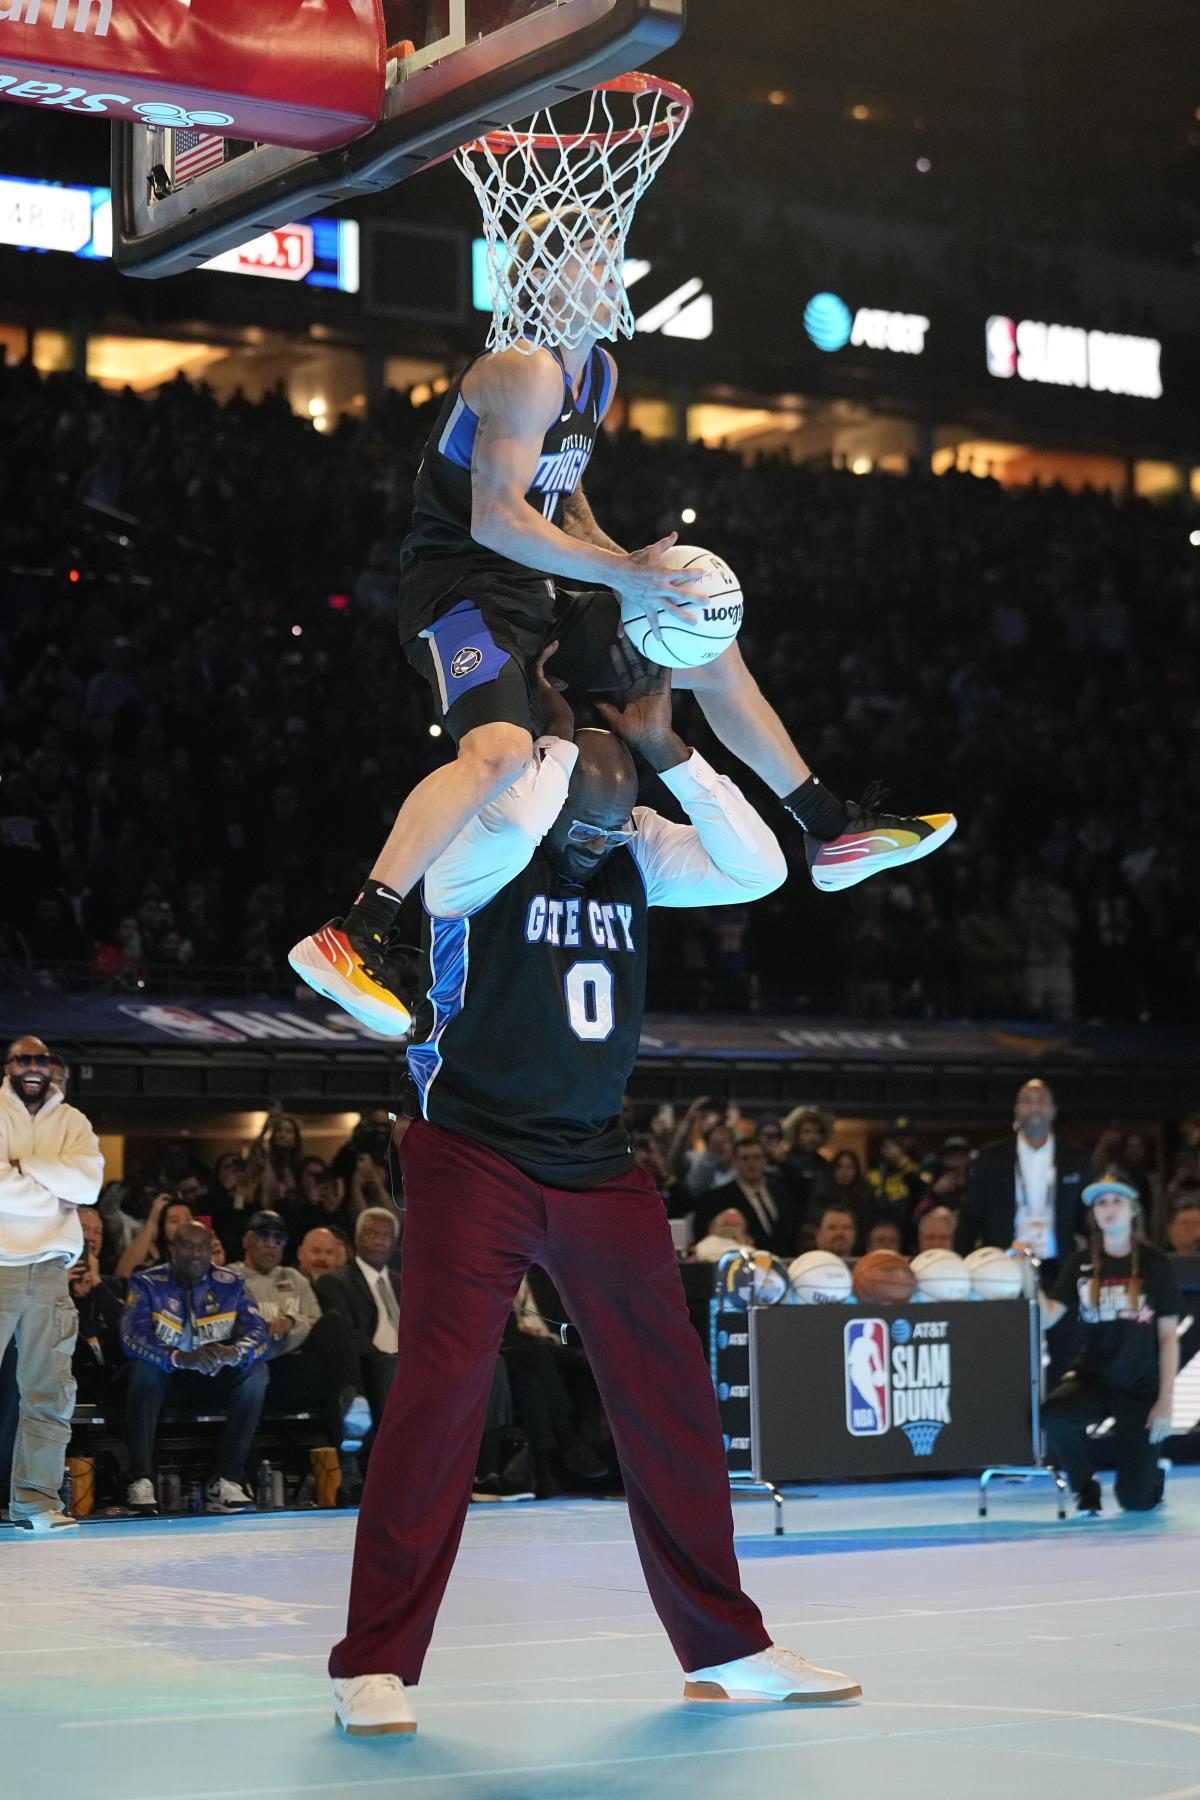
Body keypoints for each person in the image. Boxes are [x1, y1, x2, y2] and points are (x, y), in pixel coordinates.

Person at [327, 666, 859, 1735]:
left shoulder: (628, 847)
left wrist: (667, 750)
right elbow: (525, 801)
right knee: (439, 1402)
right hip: (471, 1150)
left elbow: (756, 869)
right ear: (545, 792)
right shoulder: (477, 851)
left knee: (672, 1402)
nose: (595, 847)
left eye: (613, 830)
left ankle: (727, 1648)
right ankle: (372, 1662)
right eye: (582, 827)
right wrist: (555, 725)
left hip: (596, 1160)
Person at [288, 214, 954, 1036]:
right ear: (543, 279)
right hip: (463, 591)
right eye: (592, 257)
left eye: (611, 253)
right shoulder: (522, 370)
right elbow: (495, 520)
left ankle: (827, 827)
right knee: (494, 755)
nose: (613, 269)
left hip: (540, 582)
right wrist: (617, 574)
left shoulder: (596, 370)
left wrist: (628, 566)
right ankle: (356, 933)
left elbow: (561, 496)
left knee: (701, 632)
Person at [0, 1035, 104, 1531]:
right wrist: (55, 1191)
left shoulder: (74, 1123)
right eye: (24, 1059)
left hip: (50, 1271)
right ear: (10, 1065)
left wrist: (23, 1170)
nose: (34, 1066)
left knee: (49, 1391)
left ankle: (36, 1503)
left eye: (42, 1059)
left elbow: (87, 1187)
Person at [1036, 1172, 1180, 1516]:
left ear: (1132, 1210)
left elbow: (1168, 1336)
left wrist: (1165, 1401)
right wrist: (1027, 1274)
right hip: (1094, 1379)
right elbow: (1048, 1316)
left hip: (1140, 1387)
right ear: (1094, 1214)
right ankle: (1086, 1488)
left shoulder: (1154, 1263)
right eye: (1101, 1202)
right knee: (1052, 1416)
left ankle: (1151, 1476)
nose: (1108, 1207)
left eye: (1117, 1200)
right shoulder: (1080, 1262)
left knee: (1136, 1502)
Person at [119, 1221, 269, 1515]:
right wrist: (177, 1356)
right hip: (166, 1380)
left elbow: (259, 1333)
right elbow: (131, 1335)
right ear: (172, 1249)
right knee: (144, 1370)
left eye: (202, 1246)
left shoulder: (232, 1283)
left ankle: (226, 1480)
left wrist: (234, 1352)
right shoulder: (147, 1283)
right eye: (187, 1246)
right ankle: (141, 1480)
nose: (196, 1254)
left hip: (211, 1379)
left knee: (257, 1373)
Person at [231, 1210, 373, 1454]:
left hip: (309, 1372)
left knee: (333, 1322)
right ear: (246, 1240)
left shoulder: (294, 1278)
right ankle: (352, 1424)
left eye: (278, 1239)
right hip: (269, 1375)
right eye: (262, 1236)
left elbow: (320, 1326)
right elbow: (256, 1337)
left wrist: (289, 1323)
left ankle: (353, 1433)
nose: (271, 1244)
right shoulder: (232, 1278)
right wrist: (300, 1325)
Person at [954, 1079, 1090, 1286]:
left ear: (1053, 1111)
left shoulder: (1075, 1158)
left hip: (1061, 1265)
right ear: (1017, 1110)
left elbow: (1088, 1215)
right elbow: (971, 1216)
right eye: (1027, 1101)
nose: (1034, 1107)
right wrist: (960, 1268)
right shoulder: (992, 1158)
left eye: (1041, 1101)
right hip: (1003, 1266)